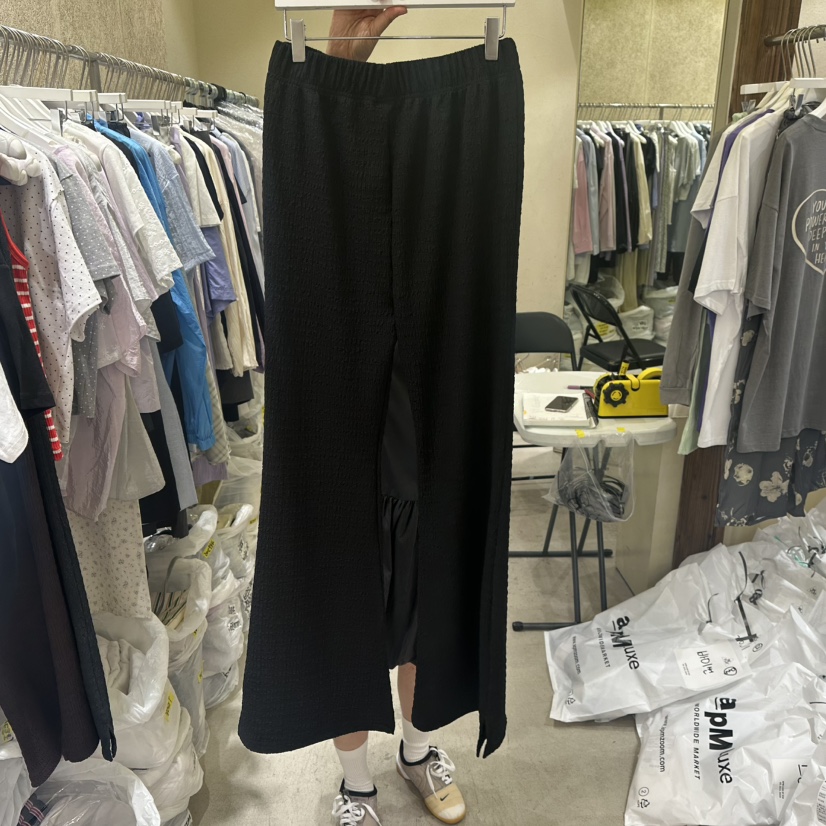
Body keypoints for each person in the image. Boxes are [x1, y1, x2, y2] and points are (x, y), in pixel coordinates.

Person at [322, 11, 469, 826]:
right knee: (344, 620)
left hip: (418, 454)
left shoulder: (441, 232)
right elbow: (322, 179)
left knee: (418, 618)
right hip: (342, 454)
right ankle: (355, 785)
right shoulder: (330, 227)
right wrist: (341, 58)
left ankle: (415, 751)